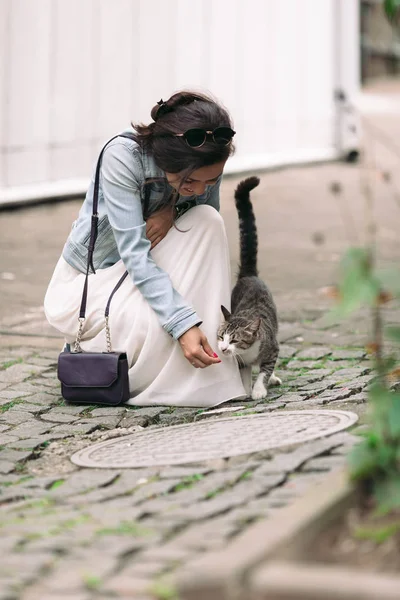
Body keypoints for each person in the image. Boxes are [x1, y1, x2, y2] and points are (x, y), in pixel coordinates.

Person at [44, 91, 248, 407]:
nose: (201, 189)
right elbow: (134, 255)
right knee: (170, 317)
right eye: (192, 181)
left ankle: (208, 359)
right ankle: (167, 355)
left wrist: (172, 209)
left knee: (208, 220)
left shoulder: (202, 169)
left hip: (147, 270)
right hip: (97, 284)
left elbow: (203, 248)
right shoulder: (121, 157)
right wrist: (182, 324)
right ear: (170, 160)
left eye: (212, 181)